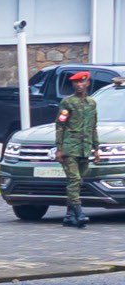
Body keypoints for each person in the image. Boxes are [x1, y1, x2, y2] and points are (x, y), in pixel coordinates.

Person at [55, 67, 102, 229]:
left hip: (85, 148)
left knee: (77, 181)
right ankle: (79, 213)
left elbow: (93, 127)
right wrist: (59, 148)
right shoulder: (68, 102)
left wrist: (96, 149)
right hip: (70, 148)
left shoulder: (92, 103)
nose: (79, 85)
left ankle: (69, 216)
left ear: (88, 83)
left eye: (82, 81)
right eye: (76, 82)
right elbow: (60, 125)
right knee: (74, 179)